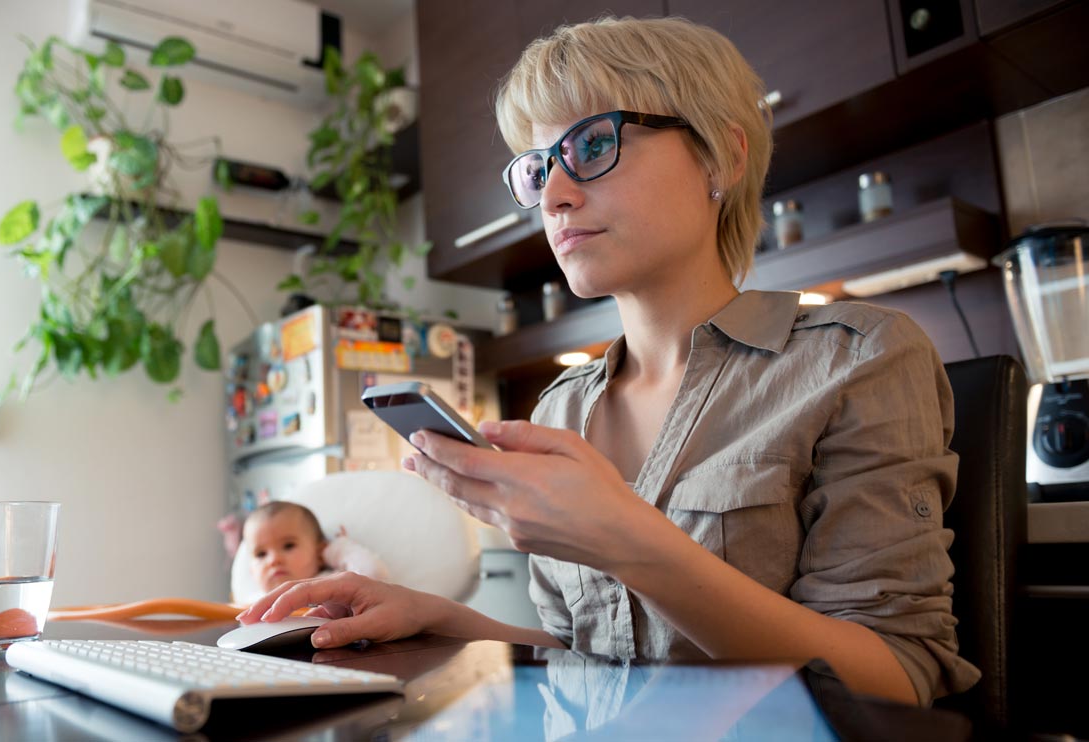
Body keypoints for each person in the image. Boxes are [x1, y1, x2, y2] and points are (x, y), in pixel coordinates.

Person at [238, 15, 979, 706]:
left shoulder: (855, 359)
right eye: (538, 167)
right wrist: (440, 618)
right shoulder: (562, 408)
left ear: (721, 155)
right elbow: (595, 659)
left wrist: (625, 540)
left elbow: (900, 679)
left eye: (593, 145)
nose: (554, 195)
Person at [240, 501, 387, 596]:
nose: (273, 560)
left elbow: (373, 576)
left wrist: (338, 548)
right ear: (251, 571)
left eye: (288, 545)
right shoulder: (251, 602)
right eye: (261, 554)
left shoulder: (331, 584)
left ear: (319, 553)